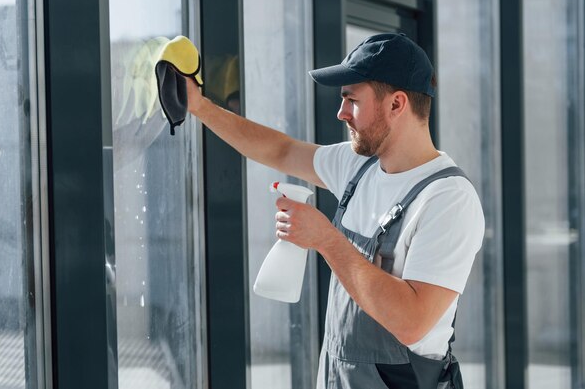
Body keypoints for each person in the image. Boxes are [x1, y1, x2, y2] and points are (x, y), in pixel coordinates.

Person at [184, 33, 485, 389]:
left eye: (351, 100)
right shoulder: (358, 167)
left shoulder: (447, 198)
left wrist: (326, 239)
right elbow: (280, 151)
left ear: (396, 104)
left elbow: (411, 322)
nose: (340, 113)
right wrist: (198, 106)